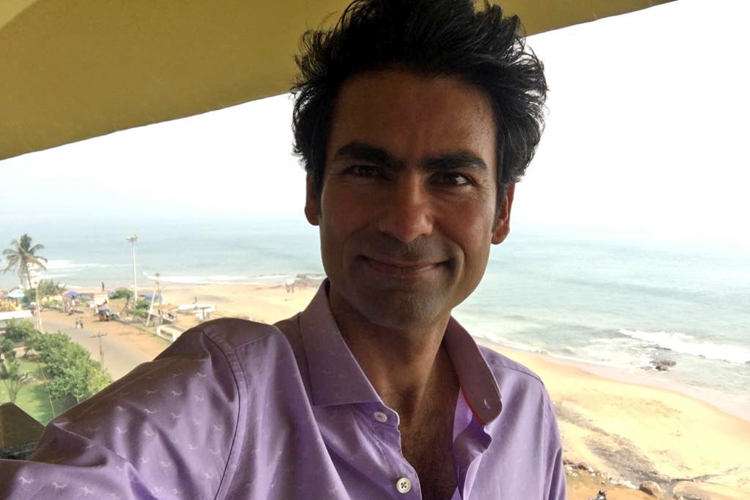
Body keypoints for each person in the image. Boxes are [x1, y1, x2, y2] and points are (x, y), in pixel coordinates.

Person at [0, 1, 563, 499]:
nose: (408, 223)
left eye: (454, 178)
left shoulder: (526, 412)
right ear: (314, 193)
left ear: (502, 211)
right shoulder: (227, 398)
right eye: (368, 171)